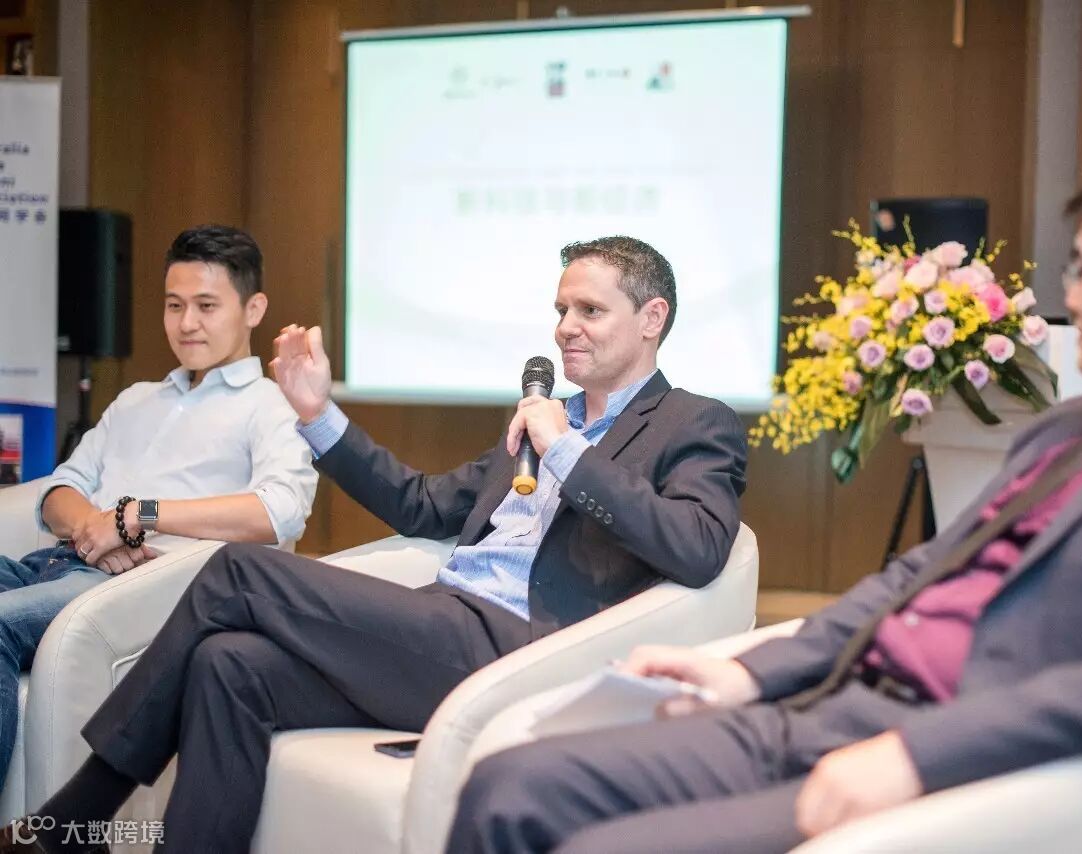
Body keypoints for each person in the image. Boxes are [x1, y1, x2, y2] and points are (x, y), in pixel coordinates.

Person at [445, 140, 1082, 854]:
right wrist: (748, 670)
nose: (1075, 294)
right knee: (509, 788)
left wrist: (921, 752)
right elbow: (919, 574)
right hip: (832, 701)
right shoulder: (1078, 427)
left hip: (959, 756)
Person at [0, 235, 747, 853]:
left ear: (652, 318)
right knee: (229, 665)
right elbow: (421, 503)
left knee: (238, 573)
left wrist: (568, 453)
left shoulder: (691, 422)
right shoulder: (543, 417)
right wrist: (317, 414)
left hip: (521, 649)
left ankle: (78, 814)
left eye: (590, 310)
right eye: (560, 310)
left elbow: (698, 546)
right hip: (442, 624)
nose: (565, 328)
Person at [0, 225, 317, 797]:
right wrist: (95, 529)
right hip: (56, 563)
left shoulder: (270, 405)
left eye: (206, 306)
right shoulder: (135, 399)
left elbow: (280, 512)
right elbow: (61, 489)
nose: (186, 323)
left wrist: (137, 516)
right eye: (174, 305)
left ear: (253, 309)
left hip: (140, 590)